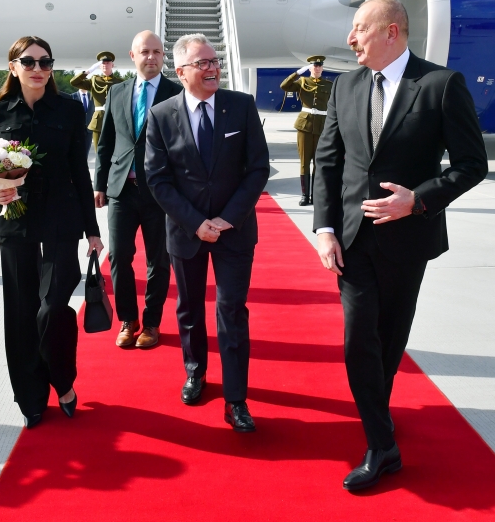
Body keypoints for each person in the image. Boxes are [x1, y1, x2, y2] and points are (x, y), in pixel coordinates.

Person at [313, 0, 488, 490]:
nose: (351, 38)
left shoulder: (440, 85)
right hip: (351, 238)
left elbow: (472, 165)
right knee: (357, 340)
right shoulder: (346, 86)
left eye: (360, 28)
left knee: (389, 339)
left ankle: (377, 413)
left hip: (407, 240)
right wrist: (325, 229)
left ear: (391, 32)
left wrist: (418, 200)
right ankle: (381, 445)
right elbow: (328, 162)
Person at [145, 33, 269, 432]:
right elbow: (158, 178)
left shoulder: (241, 106)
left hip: (235, 230)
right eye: (203, 63)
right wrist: (196, 223)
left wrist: (228, 218)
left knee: (231, 311)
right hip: (186, 231)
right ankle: (195, 371)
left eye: (215, 61)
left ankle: (236, 400)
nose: (213, 68)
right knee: (190, 309)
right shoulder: (161, 115)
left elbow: (258, 169)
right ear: (181, 72)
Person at [0, 36, 104, 429]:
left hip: (60, 221)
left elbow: (79, 173)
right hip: (15, 221)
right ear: (13, 67)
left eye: (46, 62)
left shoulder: (69, 110)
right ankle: (30, 397)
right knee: (20, 314)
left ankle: (62, 381)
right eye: (29, 62)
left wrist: (92, 230)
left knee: (52, 308)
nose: (39, 69)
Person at [94, 31, 182, 349]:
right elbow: (106, 142)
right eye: (145, 52)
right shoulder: (117, 92)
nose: (152, 57)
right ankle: (128, 320)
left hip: (160, 192)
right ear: (133, 56)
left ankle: (152, 323)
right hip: (121, 189)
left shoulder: (176, 93)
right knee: (118, 256)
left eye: (157, 52)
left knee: (158, 260)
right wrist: (99, 184)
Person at [281, 55, 332, 206]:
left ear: (322, 68)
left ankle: (315, 196)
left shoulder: (329, 85)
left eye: (319, 65)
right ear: (310, 68)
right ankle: (305, 195)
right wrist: (297, 73)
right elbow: (284, 86)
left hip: (322, 126)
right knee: (304, 162)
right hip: (305, 125)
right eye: (315, 66)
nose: (317, 68)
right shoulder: (302, 82)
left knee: (318, 162)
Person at [71, 51, 122, 153]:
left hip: (114, 118)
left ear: (112, 65)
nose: (105, 65)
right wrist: (88, 71)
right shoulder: (94, 80)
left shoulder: (120, 82)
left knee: (114, 151)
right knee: (99, 152)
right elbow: (74, 82)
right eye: (103, 63)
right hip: (98, 120)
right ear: (99, 66)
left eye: (108, 62)